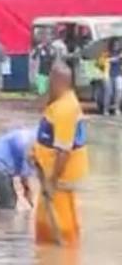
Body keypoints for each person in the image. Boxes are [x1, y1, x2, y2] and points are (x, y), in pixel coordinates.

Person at [31, 62, 89, 246]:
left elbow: (63, 151)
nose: (47, 84)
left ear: (57, 81)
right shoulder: (61, 102)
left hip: (59, 178)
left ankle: (63, 255)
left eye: (50, 80)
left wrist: (51, 182)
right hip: (51, 175)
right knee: (49, 220)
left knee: (59, 225)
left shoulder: (65, 109)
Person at [0, 126, 35, 210]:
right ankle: (2, 222)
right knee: (8, 207)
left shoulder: (27, 135)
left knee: (9, 203)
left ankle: (0, 220)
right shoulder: (30, 144)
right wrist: (28, 192)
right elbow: (24, 176)